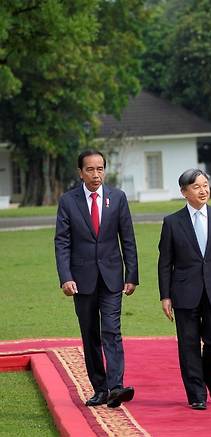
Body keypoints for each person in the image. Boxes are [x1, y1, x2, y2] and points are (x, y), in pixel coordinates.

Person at [55, 149, 138, 408]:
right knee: (90, 334)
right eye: (90, 169)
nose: (96, 174)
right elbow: (62, 242)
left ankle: (115, 387)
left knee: (112, 331)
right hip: (82, 280)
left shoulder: (118, 198)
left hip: (112, 277)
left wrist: (131, 275)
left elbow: (128, 239)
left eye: (100, 169)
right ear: (80, 172)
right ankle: (100, 389)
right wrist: (65, 277)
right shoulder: (68, 201)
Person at [157, 169, 211, 410]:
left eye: (205, 185)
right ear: (184, 192)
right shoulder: (172, 222)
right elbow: (165, 262)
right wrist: (165, 295)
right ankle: (196, 394)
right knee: (188, 344)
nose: (203, 190)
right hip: (184, 292)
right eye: (196, 187)